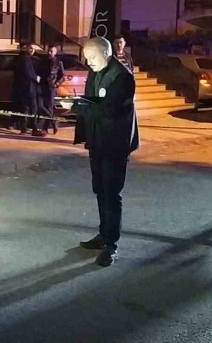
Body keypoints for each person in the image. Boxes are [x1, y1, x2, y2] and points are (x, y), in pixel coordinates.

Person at [71, 37, 139, 267]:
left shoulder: (123, 77)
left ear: (106, 53)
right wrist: (78, 103)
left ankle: (111, 244)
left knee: (111, 193)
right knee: (100, 190)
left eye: (91, 57)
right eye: (86, 58)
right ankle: (103, 234)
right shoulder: (96, 71)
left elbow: (110, 110)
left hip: (115, 144)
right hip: (97, 141)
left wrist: (80, 108)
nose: (88, 62)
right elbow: (93, 100)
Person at [12, 43, 45, 136]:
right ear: (26, 48)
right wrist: (35, 77)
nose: (32, 50)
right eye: (30, 48)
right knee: (32, 108)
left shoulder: (27, 58)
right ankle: (33, 129)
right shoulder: (25, 59)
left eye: (33, 49)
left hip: (26, 87)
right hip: (28, 87)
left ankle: (25, 129)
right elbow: (27, 72)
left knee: (26, 108)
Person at [40, 45, 65, 135]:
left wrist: (56, 84)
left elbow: (62, 76)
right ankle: (53, 120)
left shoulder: (58, 62)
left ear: (55, 52)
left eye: (51, 51)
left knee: (49, 107)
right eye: (48, 51)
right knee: (41, 105)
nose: (49, 53)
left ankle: (45, 128)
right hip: (42, 86)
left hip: (51, 87)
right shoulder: (43, 61)